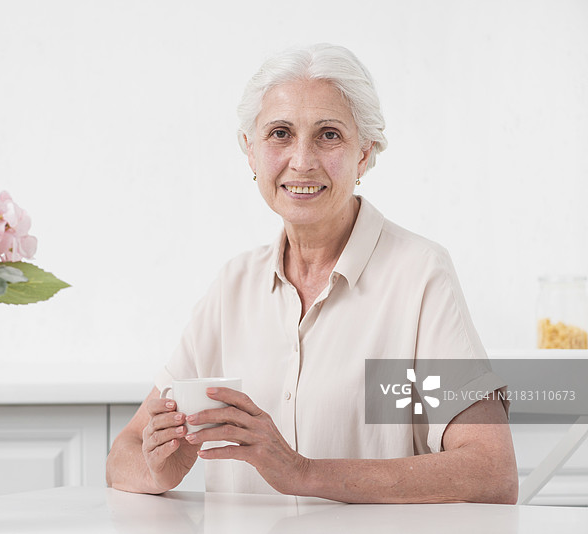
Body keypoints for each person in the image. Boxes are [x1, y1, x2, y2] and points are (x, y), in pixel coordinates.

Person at [105, 43, 518, 504]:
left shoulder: (419, 275)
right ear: (251, 152)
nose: (301, 160)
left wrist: (303, 473)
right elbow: (123, 453)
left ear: (364, 153)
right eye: (280, 133)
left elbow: (490, 470)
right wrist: (161, 466)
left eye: (328, 135)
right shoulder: (233, 286)